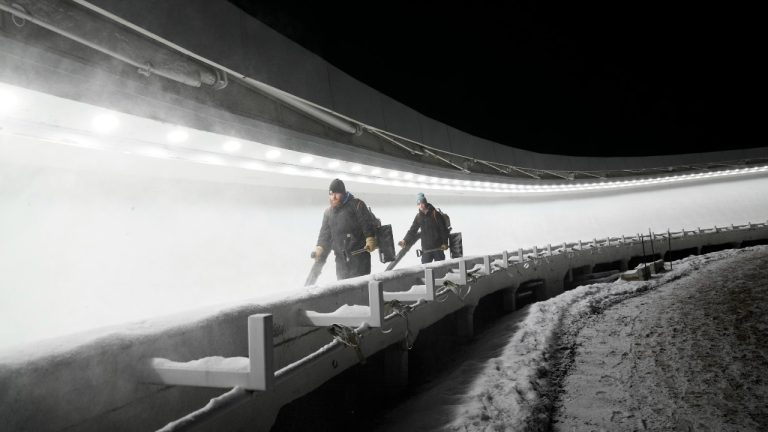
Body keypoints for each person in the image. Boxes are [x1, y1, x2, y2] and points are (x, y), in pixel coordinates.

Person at [313, 179, 378, 280]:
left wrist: (370, 239)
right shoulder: (328, 213)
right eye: (331, 194)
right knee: (343, 289)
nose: (333, 197)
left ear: (343, 193)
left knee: (359, 290)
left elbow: (366, 224)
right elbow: (324, 234)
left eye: (337, 194)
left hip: (359, 259)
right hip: (340, 261)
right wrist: (319, 247)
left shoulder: (357, 205)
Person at [399, 192, 450, 263]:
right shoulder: (418, 217)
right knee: (425, 270)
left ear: (425, 202)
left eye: (422, 203)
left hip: (438, 249)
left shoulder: (435, 214)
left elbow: (443, 230)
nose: (421, 206)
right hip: (426, 251)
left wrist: (445, 243)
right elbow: (412, 230)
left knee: (441, 271)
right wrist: (404, 240)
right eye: (418, 204)